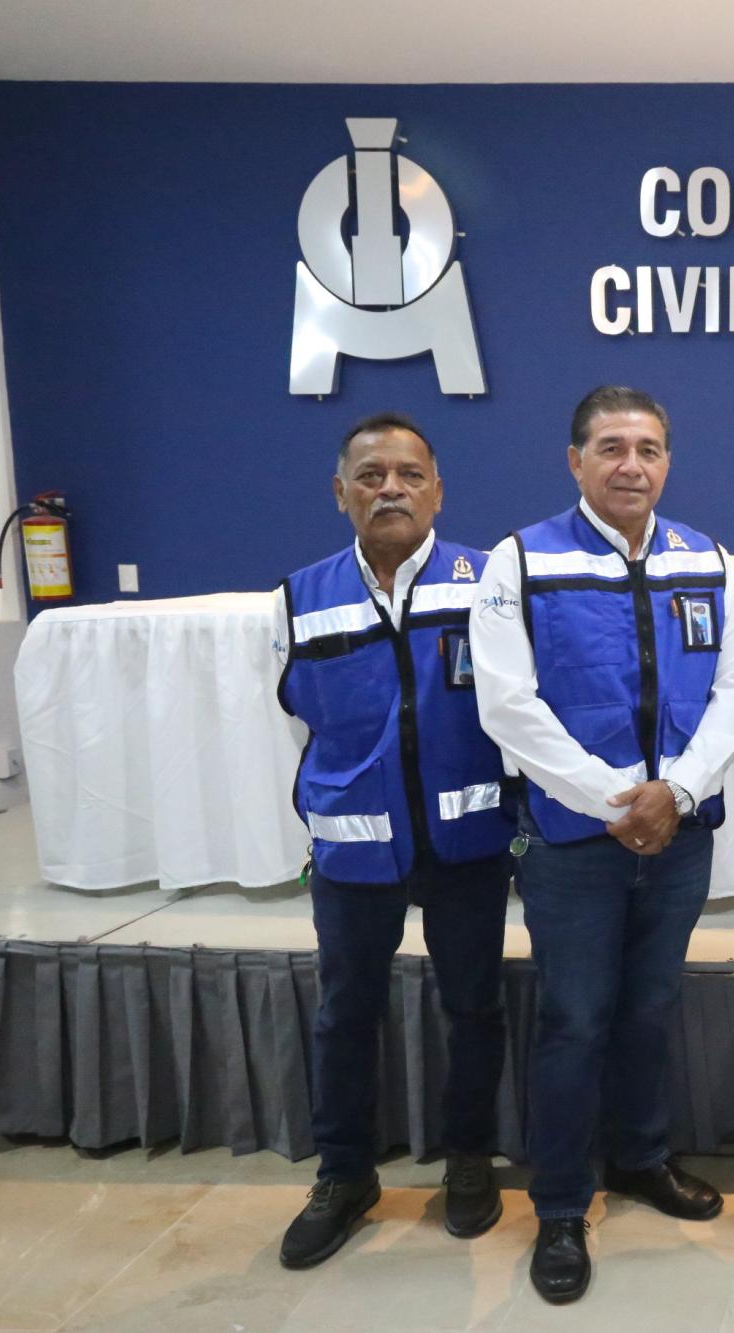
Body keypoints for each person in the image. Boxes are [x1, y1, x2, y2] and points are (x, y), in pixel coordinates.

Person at [470, 386, 734, 1303]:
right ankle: (559, 1203)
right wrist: (612, 801)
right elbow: (509, 707)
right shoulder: (521, 561)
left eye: (649, 448)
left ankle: (640, 1158)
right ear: (575, 459)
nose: (631, 464)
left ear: (668, 460)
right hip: (573, 844)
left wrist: (676, 792)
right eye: (611, 447)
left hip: (679, 837)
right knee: (575, 1020)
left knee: (646, 1010)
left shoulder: (707, 559)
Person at [273, 412, 514, 1269]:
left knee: (474, 1009)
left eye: (409, 474)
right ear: (340, 493)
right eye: (370, 475)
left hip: (468, 847)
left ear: (438, 489)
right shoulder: (297, 598)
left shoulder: (489, 582)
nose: (390, 489)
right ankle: (344, 1174)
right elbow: (283, 725)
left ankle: (469, 1159)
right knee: (346, 1015)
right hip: (353, 855)